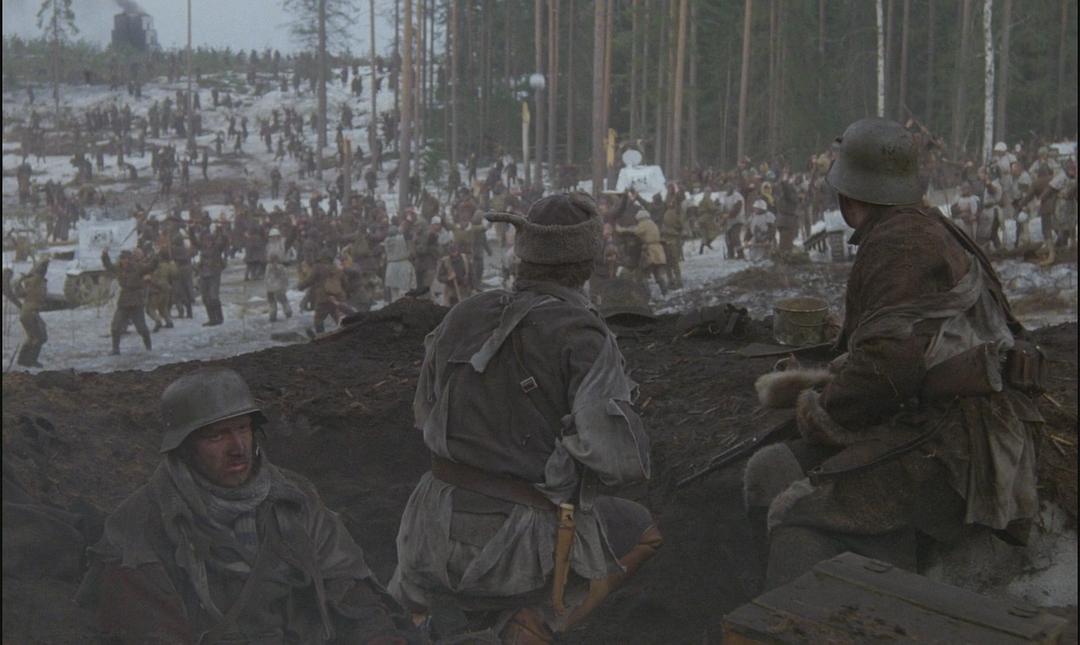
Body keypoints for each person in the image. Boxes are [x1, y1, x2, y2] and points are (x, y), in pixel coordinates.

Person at [743, 117, 1041, 591]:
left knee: (797, 514)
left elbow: (887, 370)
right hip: (948, 420)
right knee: (769, 469)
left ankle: (879, 596)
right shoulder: (929, 228)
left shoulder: (897, 243)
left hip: (949, 442)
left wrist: (818, 407)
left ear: (847, 196)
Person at [390, 193, 661, 643]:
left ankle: (431, 622)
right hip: (513, 548)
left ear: (525, 255)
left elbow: (425, 413)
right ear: (587, 261)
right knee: (641, 529)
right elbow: (619, 462)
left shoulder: (462, 314)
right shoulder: (582, 333)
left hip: (426, 530)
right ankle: (535, 623)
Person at [76, 368, 417, 643]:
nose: (237, 447)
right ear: (184, 447)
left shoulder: (294, 498)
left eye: (242, 428)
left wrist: (379, 637)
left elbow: (349, 587)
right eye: (217, 435)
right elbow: (149, 631)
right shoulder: (139, 525)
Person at [101, 249, 155, 355]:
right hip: (124, 301)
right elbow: (109, 266)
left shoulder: (138, 268)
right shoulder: (119, 268)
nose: (124, 261)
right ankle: (115, 349)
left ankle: (148, 347)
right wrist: (105, 255)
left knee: (141, 328)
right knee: (116, 326)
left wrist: (156, 257)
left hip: (136, 301)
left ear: (130, 260)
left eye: (126, 259)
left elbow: (150, 267)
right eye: (122, 259)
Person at [5, 261, 49, 368]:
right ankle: (30, 360)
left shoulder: (29, 282)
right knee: (40, 337)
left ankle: (22, 360)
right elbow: (40, 271)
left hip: (27, 313)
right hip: (31, 313)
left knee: (32, 337)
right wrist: (44, 261)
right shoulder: (37, 280)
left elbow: (20, 292)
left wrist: (23, 278)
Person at [616, 209, 668, 295]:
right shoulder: (652, 223)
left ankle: (647, 294)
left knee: (643, 274)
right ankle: (665, 292)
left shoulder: (644, 223)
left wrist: (621, 229)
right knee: (657, 273)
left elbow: (636, 231)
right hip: (658, 251)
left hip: (650, 251)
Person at [383, 224, 415, 302]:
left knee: (394, 292)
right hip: (402, 264)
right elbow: (412, 252)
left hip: (391, 266)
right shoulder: (401, 239)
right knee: (404, 290)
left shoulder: (386, 241)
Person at [265, 253, 293, 322]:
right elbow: (285, 277)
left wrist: (267, 286)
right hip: (279, 288)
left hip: (270, 289)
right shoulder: (281, 267)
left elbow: (266, 278)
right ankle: (288, 312)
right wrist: (285, 285)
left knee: (272, 304)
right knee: (284, 301)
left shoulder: (268, 267)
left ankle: (272, 316)